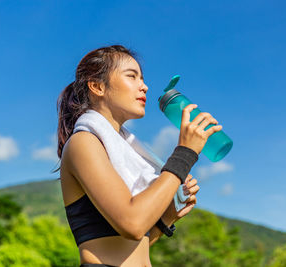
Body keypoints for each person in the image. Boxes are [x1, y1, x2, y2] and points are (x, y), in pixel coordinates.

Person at [56, 45, 222, 267]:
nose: (144, 86)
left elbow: (133, 247)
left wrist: (167, 217)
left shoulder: (125, 149)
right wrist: (184, 154)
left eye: (142, 78)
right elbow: (133, 223)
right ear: (97, 86)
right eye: (131, 77)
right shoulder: (83, 143)